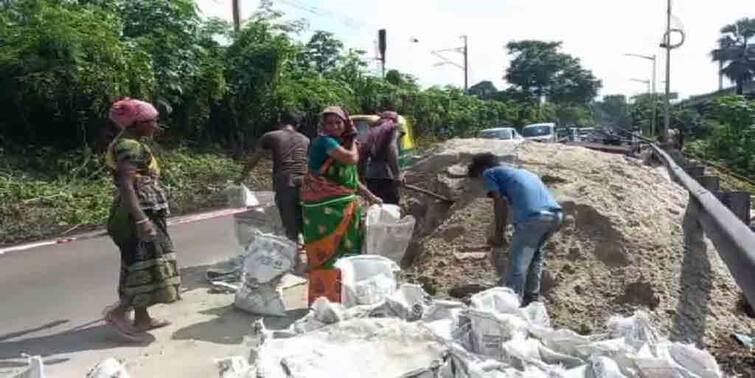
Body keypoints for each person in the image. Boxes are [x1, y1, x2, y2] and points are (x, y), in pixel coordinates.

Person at [103, 98, 180, 341]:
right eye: (152, 122)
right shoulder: (129, 146)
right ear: (138, 123)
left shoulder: (130, 143)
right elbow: (126, 185)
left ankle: (143, 318)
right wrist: (140, 219)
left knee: (149, 265)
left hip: (146, 212)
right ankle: (118, 312)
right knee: (139, 266)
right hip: (136, 215)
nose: (155, 126)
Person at [301, 106, 381, 302]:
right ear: (323, 126)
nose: (334, 126)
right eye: (329, 123)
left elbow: (349, 179)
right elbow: (351, 159)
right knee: (325, 254)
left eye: (338, 122)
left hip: (343, 205)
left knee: (345, 252)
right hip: (324, 208)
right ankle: (324, 299)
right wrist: (353, 140)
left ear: (345, 123)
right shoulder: (325, 142)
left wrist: (370, 196)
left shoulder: (340, 142)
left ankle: (343, 297)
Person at [468, 153, 562, 306]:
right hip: (555, 216)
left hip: (533, 218)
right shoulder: (524, 172)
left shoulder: (489, 172)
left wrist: (499, 234)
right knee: (534, 257)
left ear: (481, 169)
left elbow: (499, 202)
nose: (484, 186)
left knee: (517, 262)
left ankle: (510, 304)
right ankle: (531, 300)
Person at [238, 111, 310, 242]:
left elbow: (255, 158)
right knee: (306, 226)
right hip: (306, 184)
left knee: (290, 228)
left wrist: (241, 178)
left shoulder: (271, 136)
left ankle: (294, 258)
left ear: (280, 121)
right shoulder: (305, 139)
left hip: (285, 183)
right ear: (298, 124)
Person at [360, 111, 405, 205]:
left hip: (371, 177)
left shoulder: (372, 132)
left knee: (376, 207)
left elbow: (362, 157)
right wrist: (397, 174)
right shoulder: (393, 128)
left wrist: (361, 177)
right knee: (390, 208)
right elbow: (392, 148)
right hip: (386, 176)